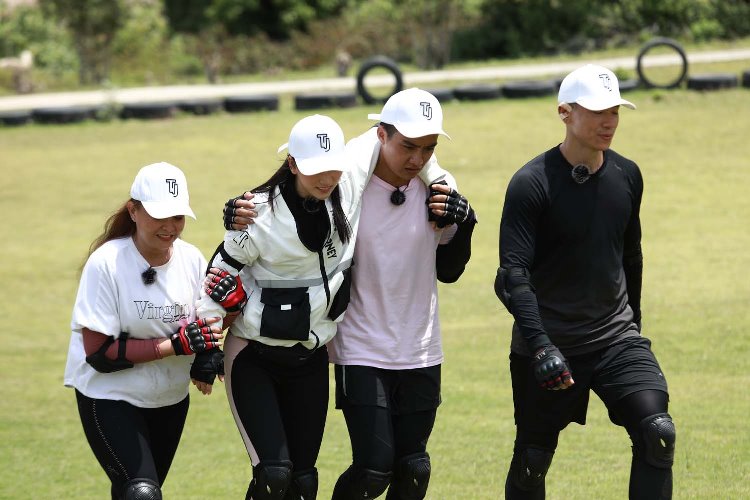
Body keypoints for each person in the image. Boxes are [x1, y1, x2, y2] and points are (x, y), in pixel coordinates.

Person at [224, 88, 477, 499]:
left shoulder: (439, 189)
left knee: (414, 470)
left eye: (428, 148)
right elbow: (293, 197)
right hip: (359, 346)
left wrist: (464, 222)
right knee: (372, 471)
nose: (417, 159)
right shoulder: (346, 189)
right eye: (408, 146)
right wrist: (245, 209)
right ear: (382, 135)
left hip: (422, 348)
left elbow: (449, 271)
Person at [494, 64, 675, 499]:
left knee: (658, 432)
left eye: (614, 111)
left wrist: (634, 324)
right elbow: (512, 276)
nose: (609, 121)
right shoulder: (531, 183)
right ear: (565, 112)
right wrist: (541, 347)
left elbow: (631, 256)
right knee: (532, 462)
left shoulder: (627, 175)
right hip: (549, 346)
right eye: (597, 112)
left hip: (616, 339)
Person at [63, 161, 224, 500]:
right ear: (133, 211)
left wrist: (209, 354)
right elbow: (99, 353)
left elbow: (204, 321)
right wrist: (174, 346)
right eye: (159, 215)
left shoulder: (192, 259)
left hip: (169, 397)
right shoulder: (106, 263)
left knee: (135, 493)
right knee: (142, 493)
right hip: (109, 395)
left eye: (177, 216)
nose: (170, 227)